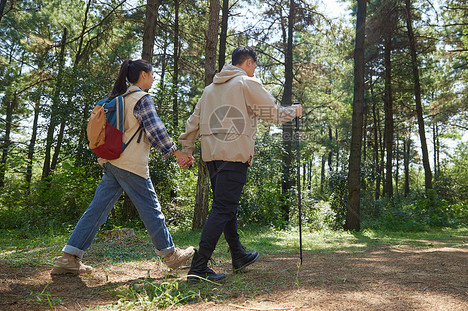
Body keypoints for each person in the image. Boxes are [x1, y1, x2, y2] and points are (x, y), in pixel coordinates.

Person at [52, 59, 195, 275]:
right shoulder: (142, 99)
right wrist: (177, 153)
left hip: (113, 163)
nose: (154, 78)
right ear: (144, 75)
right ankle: (170, 255)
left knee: (97, 210)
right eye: (152, 74)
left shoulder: (119, 99)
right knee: (151, 209)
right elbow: (155, 130)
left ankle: (68, 257)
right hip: (131, 165)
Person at [179, 46, 302, 283]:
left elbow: (193, 122)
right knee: (223, 208)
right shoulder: (246, 84)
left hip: (212, 157)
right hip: (234, 156)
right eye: (255, 65)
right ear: (248, 63)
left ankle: (238, 255)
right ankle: (198, 267)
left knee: (227, 208)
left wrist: (187, 149)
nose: (255, 70)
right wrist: (294, 112)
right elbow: (273, 113)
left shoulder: (209, 90)